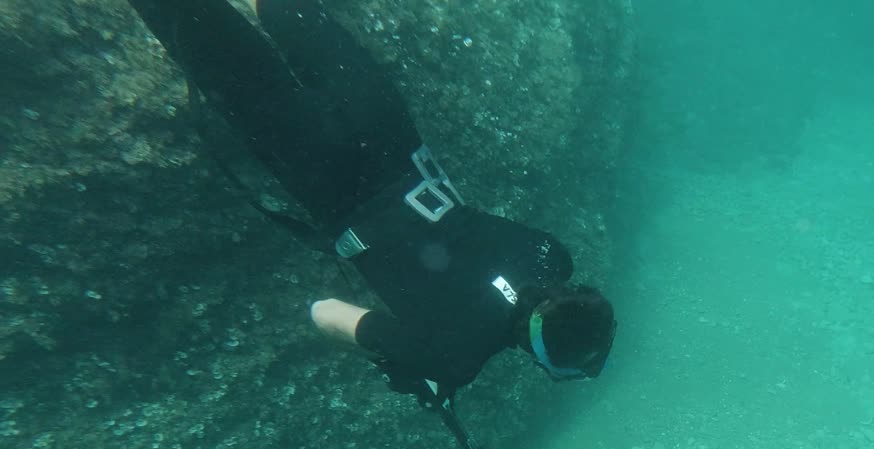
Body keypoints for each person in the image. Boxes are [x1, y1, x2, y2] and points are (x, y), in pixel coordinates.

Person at [127, 0, 616, 403]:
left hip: (386, 132)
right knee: (191, 22)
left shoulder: (553, 257)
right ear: (541, 361)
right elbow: (325, 312)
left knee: (284, 10)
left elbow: (498, 283)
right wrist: (413, 367)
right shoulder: (454, 360)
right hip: (323, 174)